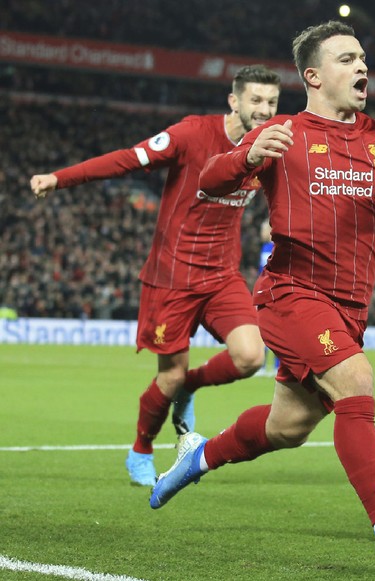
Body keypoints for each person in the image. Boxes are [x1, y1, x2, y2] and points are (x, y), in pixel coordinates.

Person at [150, 21, 375, 567]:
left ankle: (197, 458)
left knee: (288, 427)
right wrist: (249, 156)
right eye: (347, 59)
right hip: (291, 292)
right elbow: (210, 179)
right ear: (313, 75)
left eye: (363, 60)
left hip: (350, 307)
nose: (362, 68)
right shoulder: (283, 132)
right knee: (355, 380)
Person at [30, 65, 282, 487]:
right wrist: (60, 179)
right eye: (256, 100)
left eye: (272, 102)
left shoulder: (270, 146)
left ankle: (189, 388)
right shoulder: (191, 135)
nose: (264, 109)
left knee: (250, 357)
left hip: (222, 275)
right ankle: (141, 450)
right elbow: (127, 160)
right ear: (234, 100)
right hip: (173, 277)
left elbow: (285, 191)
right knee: (168, 374)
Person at [255, 219, 280, 377]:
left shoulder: (277, 248)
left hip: (275, 295)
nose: (262, 232)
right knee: (263, 331)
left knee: (278, 332)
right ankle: (263, 366)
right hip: (263, 294)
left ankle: (279, 366)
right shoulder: (264, 248)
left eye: (264, 229)